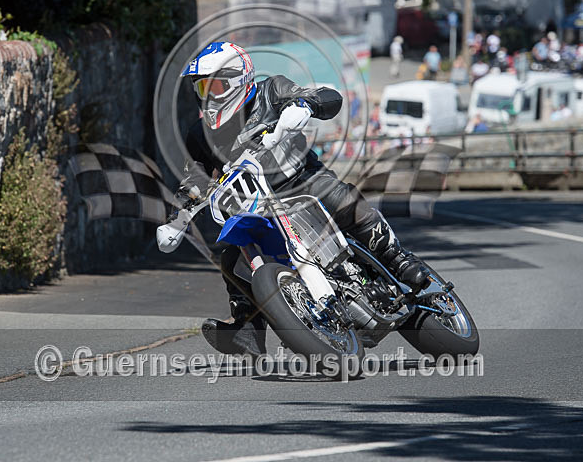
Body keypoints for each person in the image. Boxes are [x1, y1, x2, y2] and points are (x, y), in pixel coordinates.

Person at [178, 41, 433, 357]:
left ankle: (396, 257)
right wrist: (179, 215)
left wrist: (305, 105)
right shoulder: (198, 134)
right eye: (202, 87)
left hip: (304, 182)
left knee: (340, 198)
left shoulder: (271, 91)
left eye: (214, 85)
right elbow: (196, 177)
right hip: (255, 203)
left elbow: (326, 96)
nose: (208, 95)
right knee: (233, 255)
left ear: (238, 78)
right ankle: (247, 330)